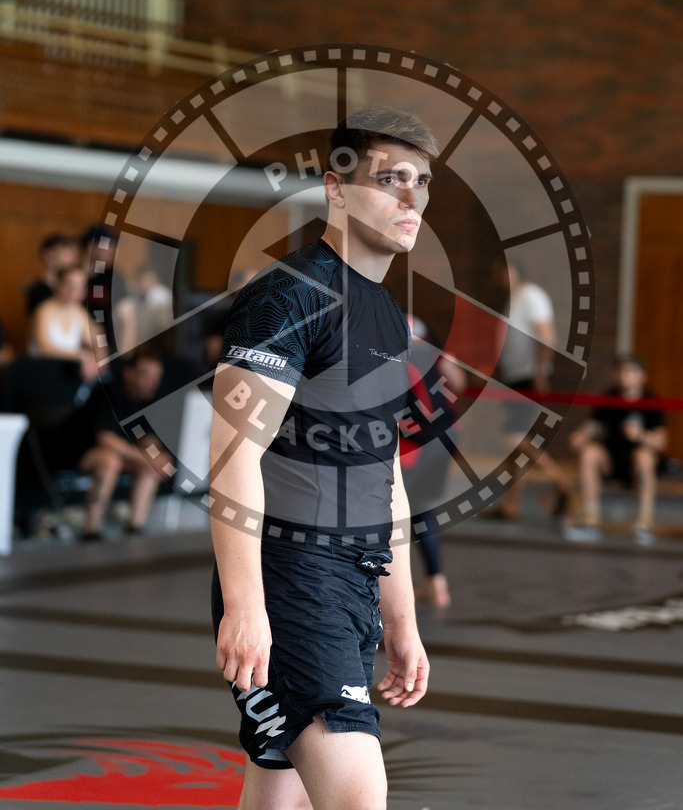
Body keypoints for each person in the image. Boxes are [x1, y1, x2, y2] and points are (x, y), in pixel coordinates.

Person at [209, 106, 435, 810]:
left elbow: (383, 473)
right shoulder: (287, 296)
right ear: (336, 188)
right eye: (390, 179)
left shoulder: (386, 313)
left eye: (422, 181)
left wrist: (401, 621)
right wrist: (245, 606)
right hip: (291, 578)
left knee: (282, 795)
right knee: (357, 798)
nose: (412, 198)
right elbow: (232, 460)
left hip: (351, 582)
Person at [491, 258, 572, 521]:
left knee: (513, 438)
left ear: (516, 271)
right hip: (515, 378)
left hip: (528, 378)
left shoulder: (531, 295)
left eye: (504, 270)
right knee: (516, 446)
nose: (500, 276)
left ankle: (560, 480)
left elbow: (546, 335)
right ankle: (511, 505)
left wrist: (539, 371)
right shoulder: (514, 300)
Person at [400, 315, 466, 609]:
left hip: (415, 443)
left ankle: (391, 588)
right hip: (448, 434)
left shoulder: (389, 353)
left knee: (392, 509)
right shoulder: (434, 349)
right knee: (420, 507)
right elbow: (459, 382)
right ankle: (437, 584)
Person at [568, 355, 667, 545]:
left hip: (636, 465)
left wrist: (640, 435)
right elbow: (593, 426)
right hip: (611, 460)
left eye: (630, 371)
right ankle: (590, 520)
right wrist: (580, 436)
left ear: (642, 376)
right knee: (589, 453)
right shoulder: (609, 397)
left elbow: (661, 441)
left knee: (644, 456)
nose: (625, 375)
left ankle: (645, 523)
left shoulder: (650, 400)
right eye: (621, 371)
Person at [79, 350, 170, 539]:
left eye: (156, 377)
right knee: (111, 461)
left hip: (118, 455)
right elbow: (105, 439)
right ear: (129, 373)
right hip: (79, 453)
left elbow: (148, 439)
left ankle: (135, 527)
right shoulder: (108, 393)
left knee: (151, 464)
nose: (153, 382)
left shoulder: (146, 400)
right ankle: (91, 530)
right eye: (146, 375)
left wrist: (156, 457)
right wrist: (146, 458)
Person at [29, 265, 105, 383]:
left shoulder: (80, 312)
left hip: (67, 373)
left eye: (79, 287)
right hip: (43, 371)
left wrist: (97, 358)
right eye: (69, 285)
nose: (74, 291)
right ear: (58, 284)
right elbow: (45, 348)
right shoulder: (44, 310)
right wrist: (82, 355)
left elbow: (97, 341)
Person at [25, 233, 81, 314]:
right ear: (49, 254)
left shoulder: (77, 288)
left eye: (74, 255)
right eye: (67, 253)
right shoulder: (38, 291)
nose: (73, 259)